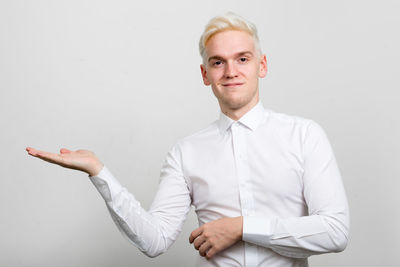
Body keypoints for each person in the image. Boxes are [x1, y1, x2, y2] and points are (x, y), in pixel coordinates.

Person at [26, 12, 349, 267]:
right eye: (217, 62)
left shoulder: (305, 135)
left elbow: (335, 232)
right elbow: (155, 241)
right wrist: (99, 172)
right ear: (205, 74)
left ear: (261, 65)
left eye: (242, 58)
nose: (230, 71)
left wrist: (241, 227)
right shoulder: (186, 152)